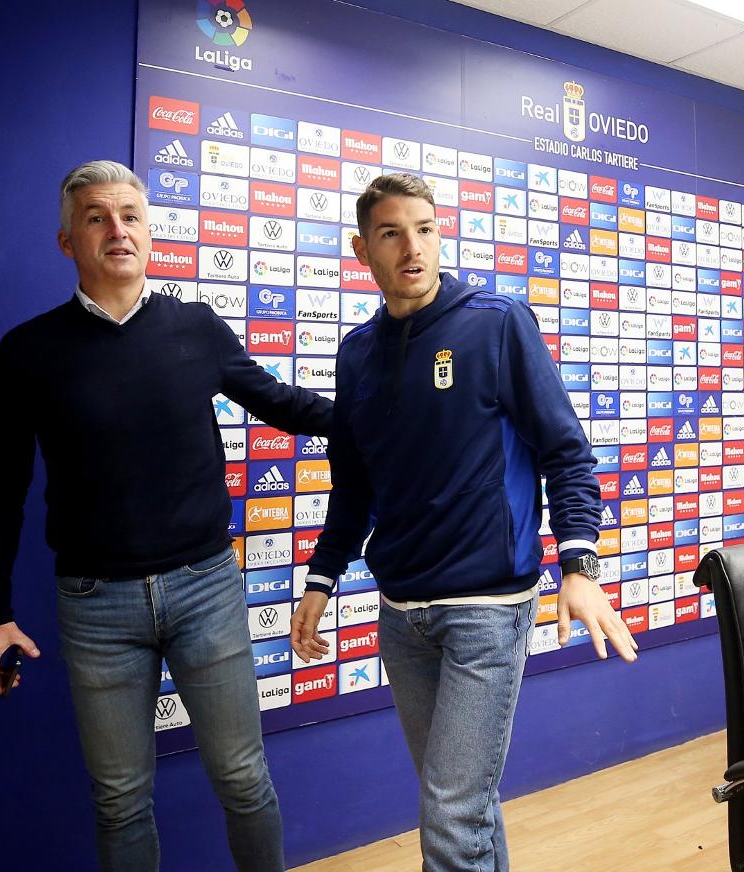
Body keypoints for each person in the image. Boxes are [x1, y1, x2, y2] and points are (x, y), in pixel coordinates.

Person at [0, 160, 331, 872]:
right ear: (66, 240)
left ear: (150, 233)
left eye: (130, 216)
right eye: (97, 217)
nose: (117, 230)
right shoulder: (27, 352)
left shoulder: (194, 328)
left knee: (242, 777)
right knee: (120, 798)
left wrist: (386, 421)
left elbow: (284, 405)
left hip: (206, 591)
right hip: (95, 607)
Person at [289, 173, 637, 871]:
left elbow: (566, 451)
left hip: (486, 606)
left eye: (425, 228)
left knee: (451, 812)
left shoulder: (496, 322)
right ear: (363, 250)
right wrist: (321, 581)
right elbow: (352, 485)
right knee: (461, 804)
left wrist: (580, 566)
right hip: (402, 613)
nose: (412, 247)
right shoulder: (357, 353)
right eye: (391, 233)